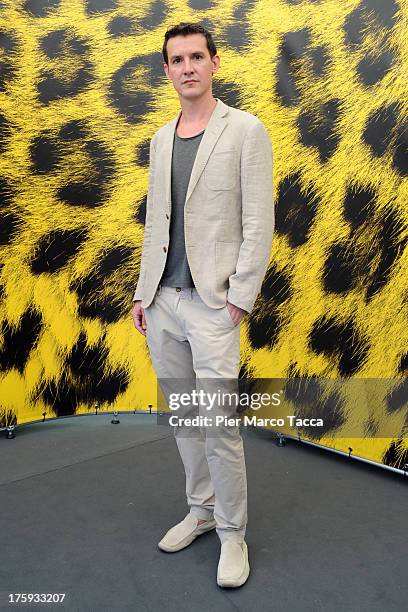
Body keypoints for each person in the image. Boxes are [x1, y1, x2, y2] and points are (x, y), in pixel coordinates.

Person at [131, 22, 274, 588]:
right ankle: (202, 511)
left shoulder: (246, 131)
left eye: (196, 57)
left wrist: (240, 297)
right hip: (162, 303)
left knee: (220, 428)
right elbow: (155, 224)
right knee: (186, 420)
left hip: (215, 306)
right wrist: (143, 293)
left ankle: (233, 535)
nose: (187, 67)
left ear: (215, 63)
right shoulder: (160, 138)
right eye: (176, 59)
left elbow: (258, 221)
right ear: (166, 71)